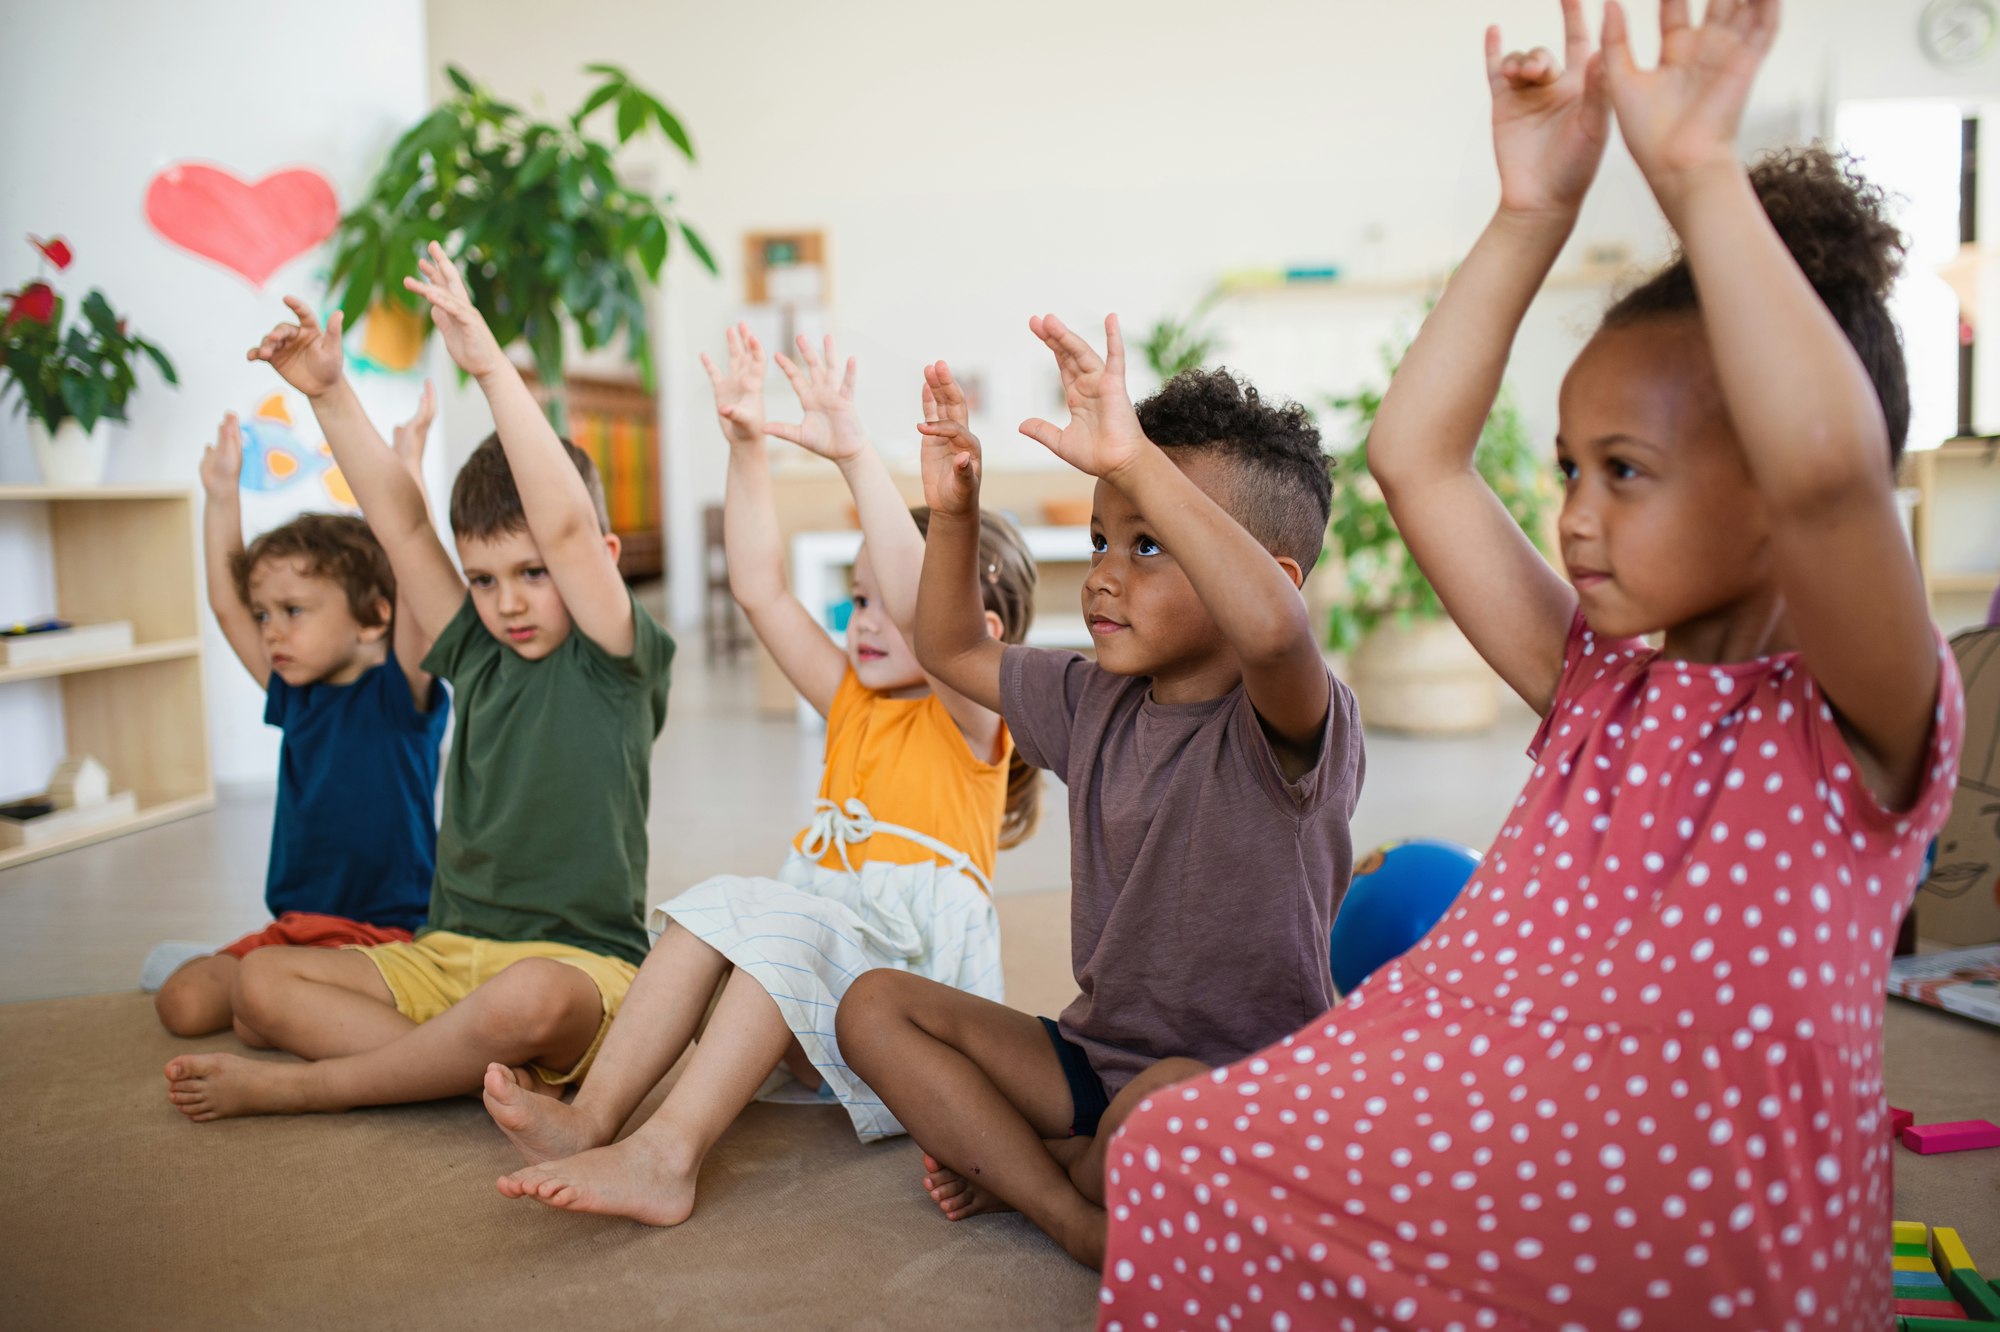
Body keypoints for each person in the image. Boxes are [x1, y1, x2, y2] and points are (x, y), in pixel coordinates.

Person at [1096, 4, 1965, 1328]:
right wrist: (1528, 213)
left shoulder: (1866, 722)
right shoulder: (1599, 683)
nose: (1573, 512)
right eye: (1569, 466)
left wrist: (1700, 179)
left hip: (1719, 1245)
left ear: (1775, 491)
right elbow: (1417, 459)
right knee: (1160, 1137)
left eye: (1625, 472)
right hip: (1517, 1127)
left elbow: (1834, 470)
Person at [482, 326, 1040, 1226]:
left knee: (783, 930)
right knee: (716, 910)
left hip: (910, 1012)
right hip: (817, 992)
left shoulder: (977, 718)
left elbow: (921, 608)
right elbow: (761, 590)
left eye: (882, 603)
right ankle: (589, 1118)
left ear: (980, 630)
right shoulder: (854, 698)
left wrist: (858, 453)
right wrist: (746, 450)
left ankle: (667, 1157)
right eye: (855, 598)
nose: (866, 617)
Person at [838, 339, 1363, 1270]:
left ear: (1266, 576)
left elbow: (1278, 638)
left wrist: (1135, 464)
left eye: (1150, 543)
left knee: (1162, 1104)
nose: (1105, 575)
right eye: (1100, 540)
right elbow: (951, 648)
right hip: (1094, 1055)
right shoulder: (1093, 700)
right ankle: (1067, 1204)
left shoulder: (1288, 721)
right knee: (873, 1008)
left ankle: (1026, 1168)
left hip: (1236, 1087)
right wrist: (955, 513)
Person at [165, 244, 673, 1119]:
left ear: (599, 562)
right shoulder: (476, 649)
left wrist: (487, 365)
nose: (506, 602)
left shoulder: (615, 655)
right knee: (262, 987)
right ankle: (464, 1069)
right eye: (483, 579)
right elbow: (399, 524)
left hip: (577, 963)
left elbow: (562, 523)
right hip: (444, 953)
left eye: (534, 573)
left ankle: (320, 1085)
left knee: (525, 1004)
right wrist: (327, 392)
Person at [154, 397, 447, 1038]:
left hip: (391, 936)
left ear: (374, 616)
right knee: (182, 1003)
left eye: (293, 611)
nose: (271, 632)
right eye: (266, 614)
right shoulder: (296, 696)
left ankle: (302, 1014)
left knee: (265, 1019)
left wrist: (407, 473)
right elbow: (228, 606)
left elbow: (415, 577)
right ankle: (283, 1004)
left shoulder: (401, 693)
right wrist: (221, 494)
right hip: (296, 929)